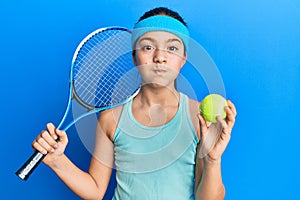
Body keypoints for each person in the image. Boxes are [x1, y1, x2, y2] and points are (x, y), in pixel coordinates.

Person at [32, 7, 237, 200]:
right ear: (134, 57)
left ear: (183, 59)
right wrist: (57, 161)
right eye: (147, 47)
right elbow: (95, 190)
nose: (160, 57)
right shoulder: (111, 119)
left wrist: (212, 160)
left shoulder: (198, 117)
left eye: (172, 48)